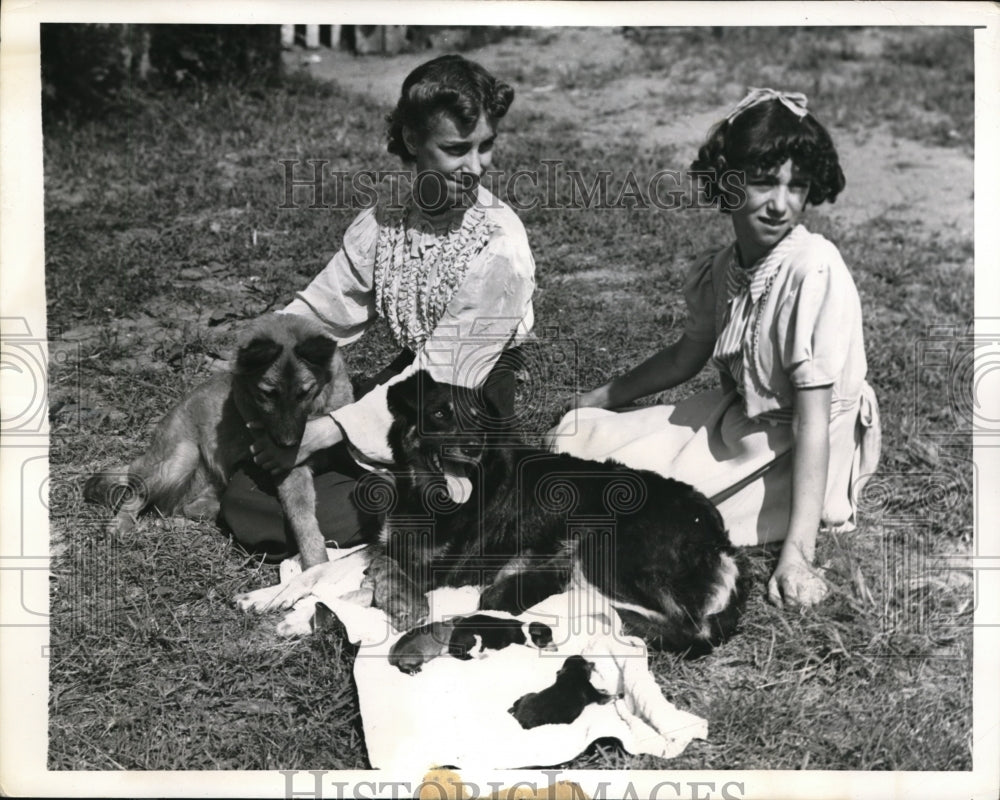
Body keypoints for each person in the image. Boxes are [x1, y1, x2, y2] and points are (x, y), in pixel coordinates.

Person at [547, 88, 881, 608]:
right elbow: (687, 355)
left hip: (796, 449)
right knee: (576, 438)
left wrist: (798, 554)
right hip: (739, 423)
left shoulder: (811, 270)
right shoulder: (725, 268)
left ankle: (781, 520)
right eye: (764, 182)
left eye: (798, 186)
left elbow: (813, 421)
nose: (781, 203)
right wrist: (601, 396)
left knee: (642, 504)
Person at [221, 54, 535, 563]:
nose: (476, 167)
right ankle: (390, 494)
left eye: (486, 146)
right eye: (457, 149)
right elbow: (319, 314)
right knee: (247, 494)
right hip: (409, 386)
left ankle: (445, 506)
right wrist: (258, 354)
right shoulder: (386, 221)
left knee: (309, 499)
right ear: (412, 141)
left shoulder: (500, 246)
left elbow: (450, 370)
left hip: (468, 407)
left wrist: (321, 433)